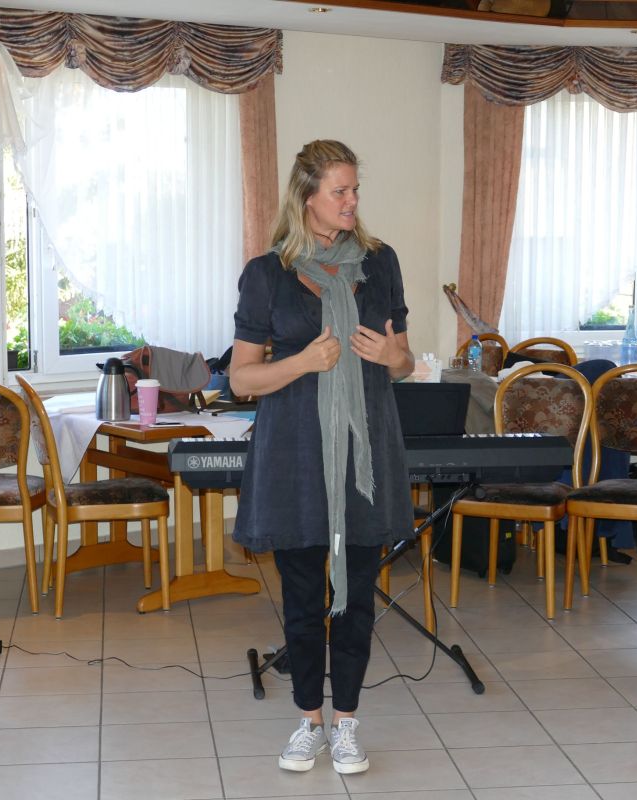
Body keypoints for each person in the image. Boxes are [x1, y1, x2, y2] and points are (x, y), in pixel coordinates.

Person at [229, 140, 415, 774]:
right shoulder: (267, 273)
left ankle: (348, 723)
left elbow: (403, 358)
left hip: (365, 454)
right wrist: (304, 361)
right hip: (295, 456)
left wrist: (393, 358)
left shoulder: (380, 263)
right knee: (304, 597)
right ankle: (309, 720)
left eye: (355, 189)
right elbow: (242, 380)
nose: (352, 201)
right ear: (306, 196)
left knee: (358, 596)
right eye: (340, 190)